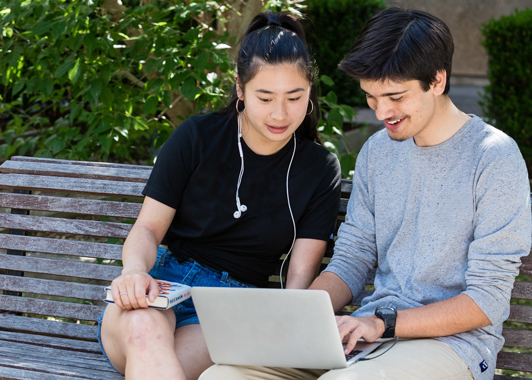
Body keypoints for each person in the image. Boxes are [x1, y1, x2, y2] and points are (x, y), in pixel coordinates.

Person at [199, 7, 532, 380]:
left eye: (395, 96)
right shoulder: (379, 151)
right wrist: (293, 317)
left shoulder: (494, 158)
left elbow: (486, 301)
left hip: (453, 346)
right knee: (224, 375)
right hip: (368, 336)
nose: (381, 112)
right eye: (372, 97)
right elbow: (352, 261)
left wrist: (384, 323)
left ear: (437, 81)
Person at [96, 11, 342, 380]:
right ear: (240, 89)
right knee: (144, 333)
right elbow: (148, 228)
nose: (280, 113)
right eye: (265, 97)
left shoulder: (319, 169)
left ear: (309, 93)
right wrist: (134, 272)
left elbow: (300, 277)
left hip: (229, 314)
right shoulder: (197, 137)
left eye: (294, 97)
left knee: (158, 362)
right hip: (161, 286)